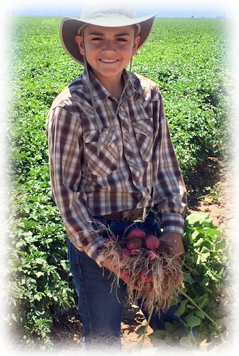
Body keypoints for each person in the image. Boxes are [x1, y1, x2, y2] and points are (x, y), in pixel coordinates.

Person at [46, 0, 187, 354]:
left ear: (136, 42)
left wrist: (172, 228)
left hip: (147, 233)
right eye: (97, 38)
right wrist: (104, 253)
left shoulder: (149, 95)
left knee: (170, 320)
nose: (109, 49)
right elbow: (66, 194)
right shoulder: (69, 108)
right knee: (103, 337)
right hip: (96, 239)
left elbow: (165, 166)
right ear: (81, 43)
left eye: (121, 39)